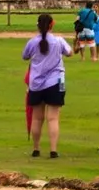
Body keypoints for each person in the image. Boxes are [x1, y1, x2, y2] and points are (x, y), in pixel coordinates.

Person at [22, 13, 72, 159]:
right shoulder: (58, 41)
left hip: (36, 83)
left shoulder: (32, 42)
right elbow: (69, 53)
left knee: (37, 118)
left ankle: (36, 149)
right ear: (52, 25)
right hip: (55, 82)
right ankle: (53, 150)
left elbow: (25, 56)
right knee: (53, 118)